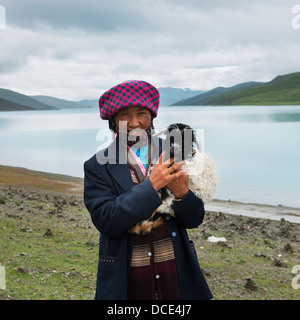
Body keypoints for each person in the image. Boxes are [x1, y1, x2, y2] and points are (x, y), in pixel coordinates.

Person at [83, 80, 212, 300]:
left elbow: (194, 219)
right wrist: (152, 185)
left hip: (175, 272)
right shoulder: (98, 165)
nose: (134, 123)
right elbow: (107, 221)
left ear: (151, 116)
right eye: (124, 115)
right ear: (113, 120)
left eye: (141, 113)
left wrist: (183, 194)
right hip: (128, 277)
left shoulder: (176, 153)